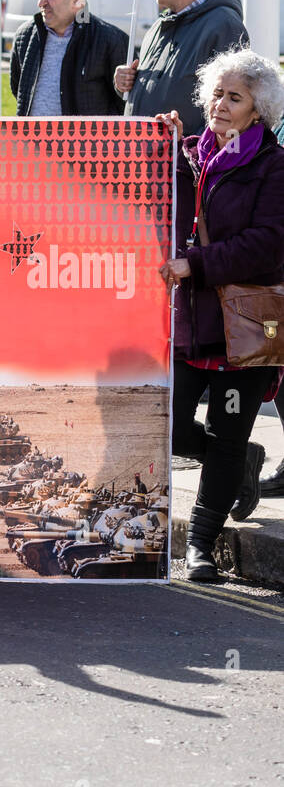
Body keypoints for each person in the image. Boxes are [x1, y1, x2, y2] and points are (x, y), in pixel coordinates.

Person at [157, 48, 284, 582]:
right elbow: (159, 208)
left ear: (259, 111)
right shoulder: (185, 155)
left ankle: (202, 546)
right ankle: (241, 463)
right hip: (189, 321)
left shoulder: (274, 166)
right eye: (216, 93)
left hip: (245, 326)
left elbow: (268, 244)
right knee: (166, 425)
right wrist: (156, 146)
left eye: (235, 97)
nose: (220, 105)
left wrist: (197, 264)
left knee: (227, 433)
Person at [114, 0, 247, 136]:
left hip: (183, 158)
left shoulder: (224, 27)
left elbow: (232, 106)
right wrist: (125, 83)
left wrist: (192, 154)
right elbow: (156, 89)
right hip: (142, 154)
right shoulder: (158, 27)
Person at [10, 0, 128, 117]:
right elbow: (19, 90)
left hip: (90, 140)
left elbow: (126, 103)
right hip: (31, 140)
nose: (40, 2)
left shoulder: (111, 40)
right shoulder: (25, 36)